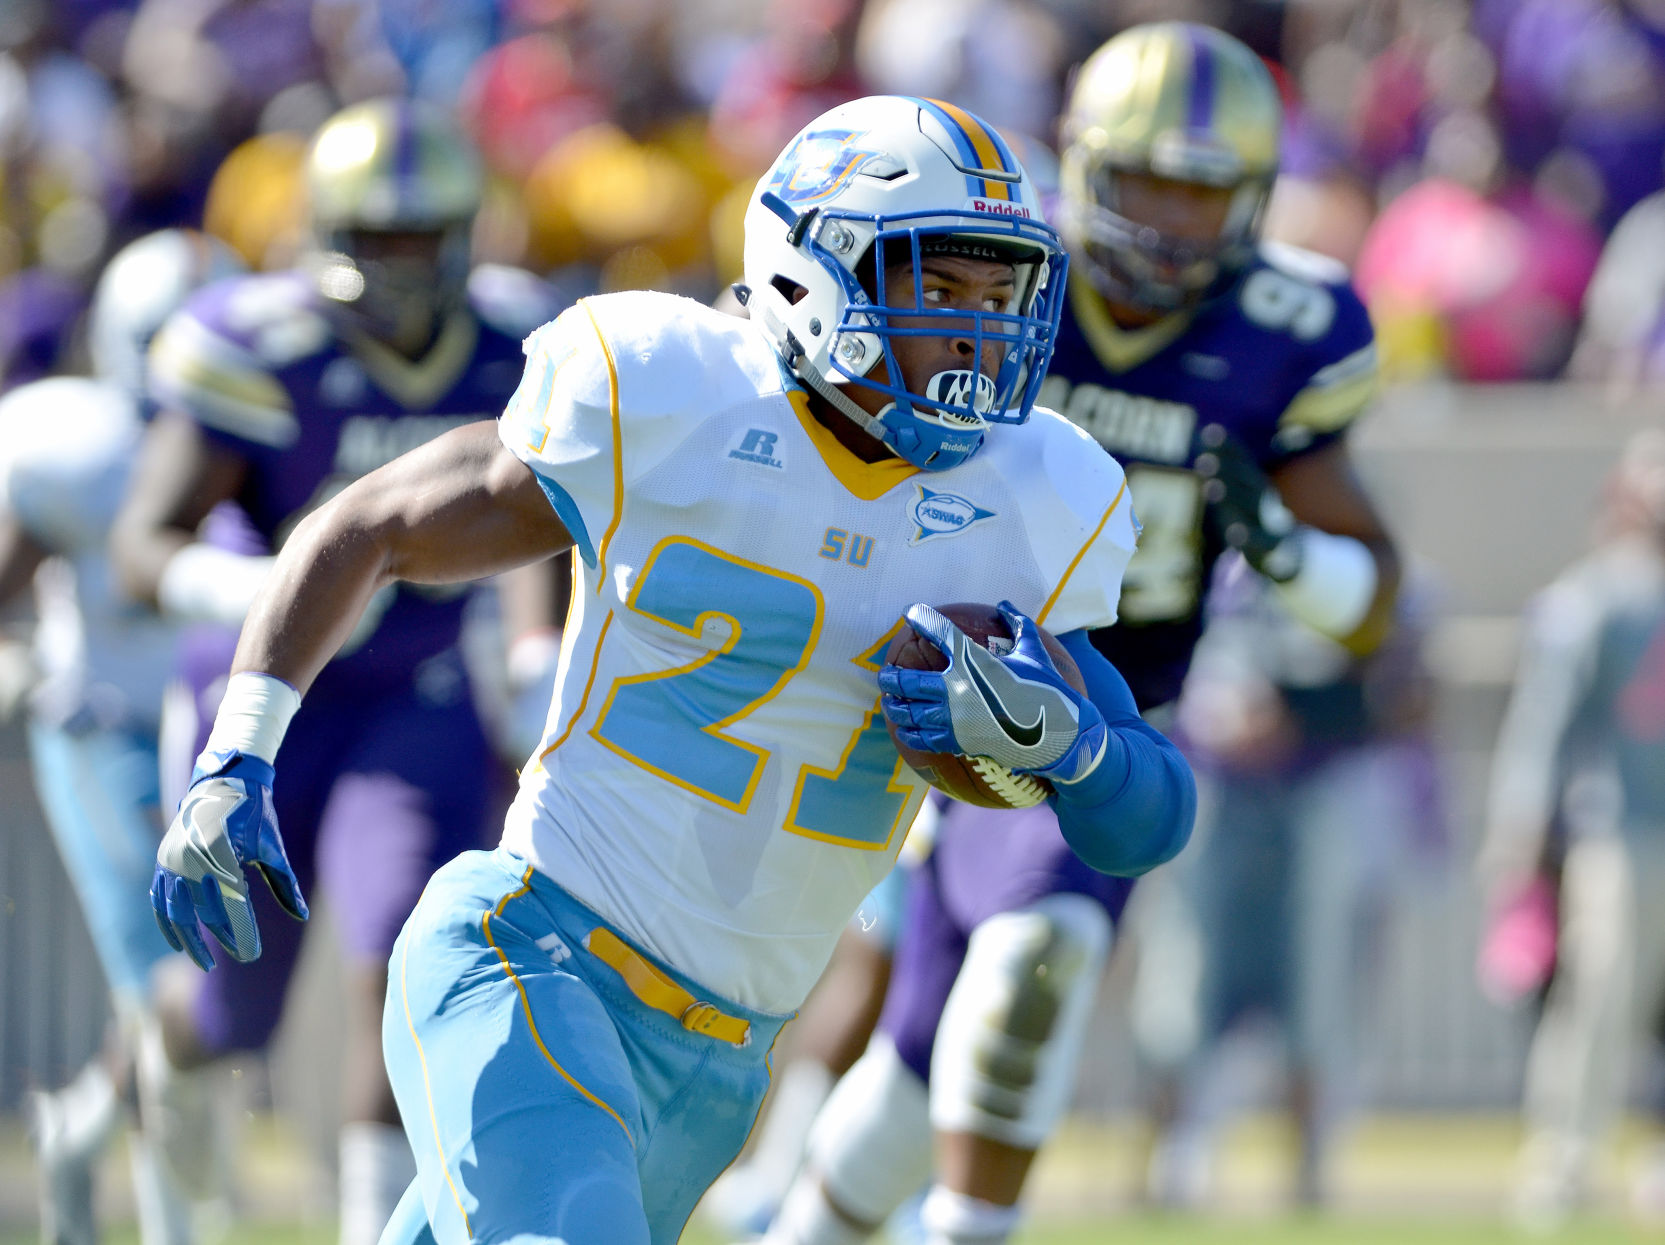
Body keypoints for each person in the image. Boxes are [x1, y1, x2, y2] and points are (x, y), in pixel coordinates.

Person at [144, 93, 1197, 1245]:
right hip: (535, 951)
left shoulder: (1035, 496)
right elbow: (376, 524)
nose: (976, 336)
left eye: (1001, 297)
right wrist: (236, 755)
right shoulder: (674, 389)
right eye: (939, 290)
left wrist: (1076, 749)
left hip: (722, 1058)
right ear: (811, 271)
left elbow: (1144, 819)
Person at [758, 24, 1402, 1245]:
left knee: (1032, 966)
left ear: (1255, 200)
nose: (1165, 220)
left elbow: (1369, 599)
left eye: (1200, 190)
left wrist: (1287, 556)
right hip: (925, 677)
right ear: (1081, 164)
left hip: (1111, 713)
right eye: (1143, 177)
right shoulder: (985, 266)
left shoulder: (1288, 328)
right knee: (909, 1067)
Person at [109, 98, 563, 1245]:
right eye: (382, 238)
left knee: (407, 946)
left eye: (426, 236)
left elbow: (538, 521)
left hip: (416, 697)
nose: (407, 264)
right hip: (260, 703)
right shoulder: (257, 343)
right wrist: (260, 590)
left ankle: (375, 1224)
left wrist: (531, 651)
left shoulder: (519, 345)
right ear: (327, 233)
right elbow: (145, 539)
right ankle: (137, 1079)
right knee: (232, 1003)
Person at [5, 229, 244, 1245]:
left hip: (215, 745)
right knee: (166, 990)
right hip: (102, 729)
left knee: (204, 997)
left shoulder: (250, 450)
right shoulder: (78, 447)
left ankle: (81, 1124)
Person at [1143, 566, 1441, 1209]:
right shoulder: (1212, 553)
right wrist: (1215, 712)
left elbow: (1405, 689)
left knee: (1318, 985)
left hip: (1321, 785)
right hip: (1211, 787)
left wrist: (1304, 715)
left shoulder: (1355, 557)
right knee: (1186, 979)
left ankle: (1307, 1164)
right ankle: (1176, 1155)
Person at [1476, 429, 1665, 1228]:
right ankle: (1564, 1156)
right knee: (1601, 995)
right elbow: (1543, 726)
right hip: (1619, 830)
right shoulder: (1595, 596)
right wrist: (1517, 831)